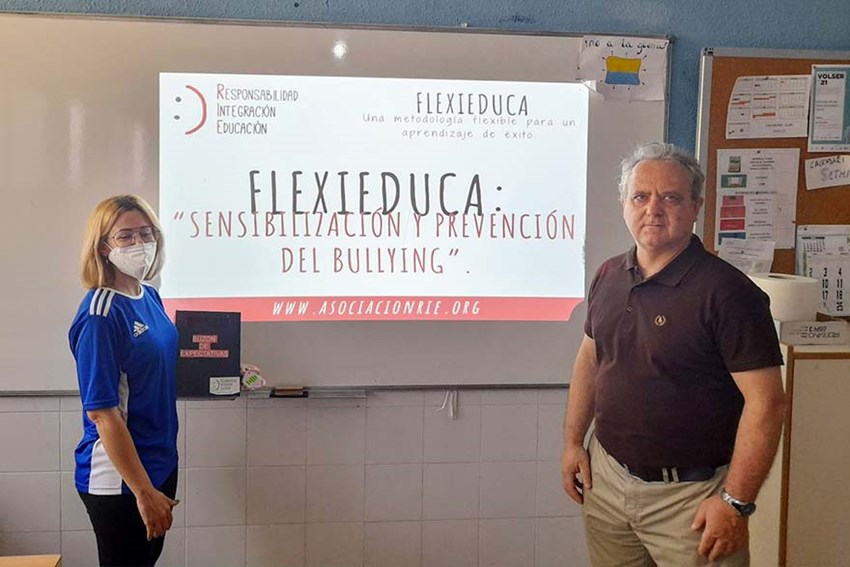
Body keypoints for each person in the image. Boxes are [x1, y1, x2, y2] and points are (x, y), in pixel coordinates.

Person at [561, 143, 786, 566]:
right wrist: (574, 442)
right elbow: (590, 360)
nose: (653, 209)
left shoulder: (729, 293)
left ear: (696, 206)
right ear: (624, 205)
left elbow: (768, 403)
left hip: (692, 499)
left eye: (671, 197)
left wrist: (736, 502)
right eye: (640, 196)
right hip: (607, 482)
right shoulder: (608, 275)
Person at [69, 195, 179, 567]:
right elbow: (102, 413)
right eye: (126, 236)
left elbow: (155, 366)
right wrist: (143, 491)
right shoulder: (100, 314)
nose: (139, 243)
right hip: (121, 479)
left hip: (159, 461)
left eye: (146, 233)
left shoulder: (150, 297)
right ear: (103, 246)